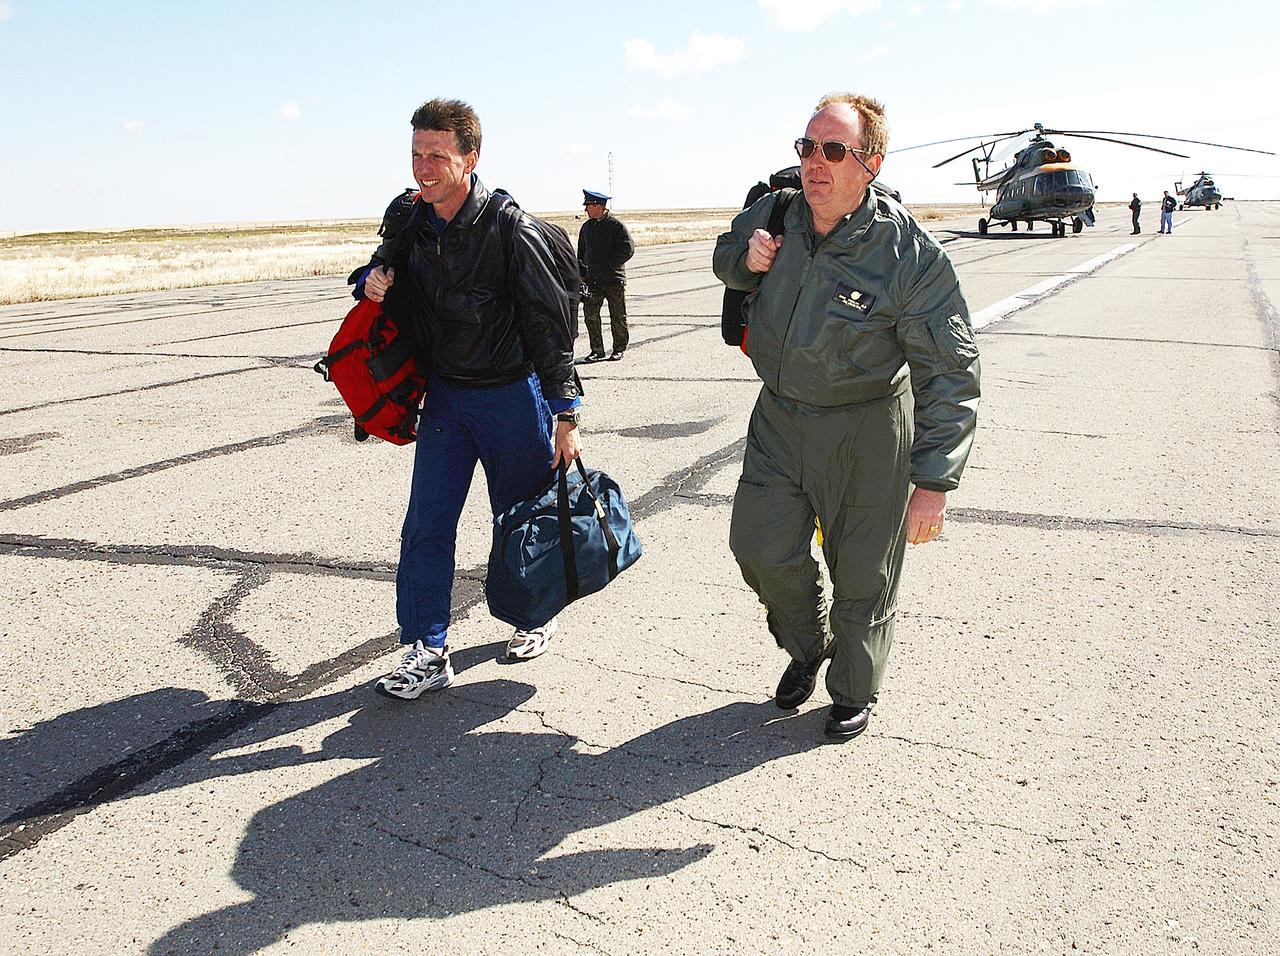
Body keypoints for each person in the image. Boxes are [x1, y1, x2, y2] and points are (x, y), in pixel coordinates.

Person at [713, 92, 981, 742]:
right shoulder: (777, 210)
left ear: (871, 163)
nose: (815, 163)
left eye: (834, 150)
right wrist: (744, 260)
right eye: (808, 147)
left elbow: (949, 370)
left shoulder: (906, 253)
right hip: (779, 420)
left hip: (868, 433)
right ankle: (809, 645)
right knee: (758, 547)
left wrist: (934, 484)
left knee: (865, 576)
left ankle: (852, 690)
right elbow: (725, 257)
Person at [352, 98, 583, 699]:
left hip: (511, 396)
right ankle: (426, 648)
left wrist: (565, 411)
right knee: (426, 524)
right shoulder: (410, 219)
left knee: (520, 521)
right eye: (415, 154)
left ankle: (532, 615)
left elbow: (547, 324)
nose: (423, 168)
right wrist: (370, 279)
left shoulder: (511, 230)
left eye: (437, 155)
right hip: (448, 400)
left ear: (470, 158)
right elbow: (380, 266)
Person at [577, 190, 635, 362]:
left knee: (617, 315)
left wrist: (609, 265)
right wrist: (581, 274)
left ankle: (619, 348)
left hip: (613, 280)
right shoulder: (586, 227)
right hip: (592, 281)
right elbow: (581, 253)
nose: (586, 210)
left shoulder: (616, 226)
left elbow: (628, 249)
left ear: (597, 206)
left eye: (588, 206)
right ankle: (597, 350)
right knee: (590, 315)